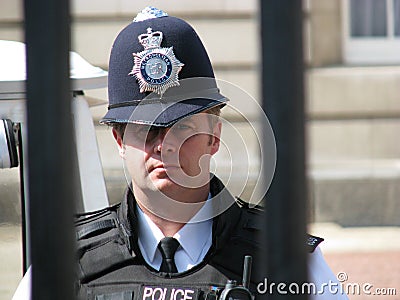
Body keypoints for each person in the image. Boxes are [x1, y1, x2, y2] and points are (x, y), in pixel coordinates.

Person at [13, 7, 348, 300]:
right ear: (118, 139)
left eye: (183, 128)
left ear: (214, 137)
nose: (164, 146)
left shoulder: (288, 260)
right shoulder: (64, 263)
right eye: (146, 130)